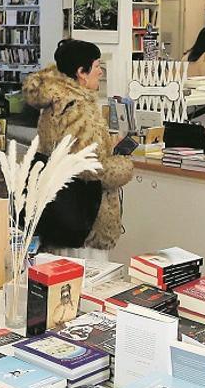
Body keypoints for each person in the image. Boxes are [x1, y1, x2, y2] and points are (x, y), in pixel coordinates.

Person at [23, 39, 133, 259]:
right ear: (81, 73)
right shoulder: (79, 108)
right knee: (85, 280)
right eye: (97, 66)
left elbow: (65, 149)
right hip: (84, 219)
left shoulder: (56, 101)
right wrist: (122, 165)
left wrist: (104, 144)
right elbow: (87, 167)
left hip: (59, 211)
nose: (100, 72)